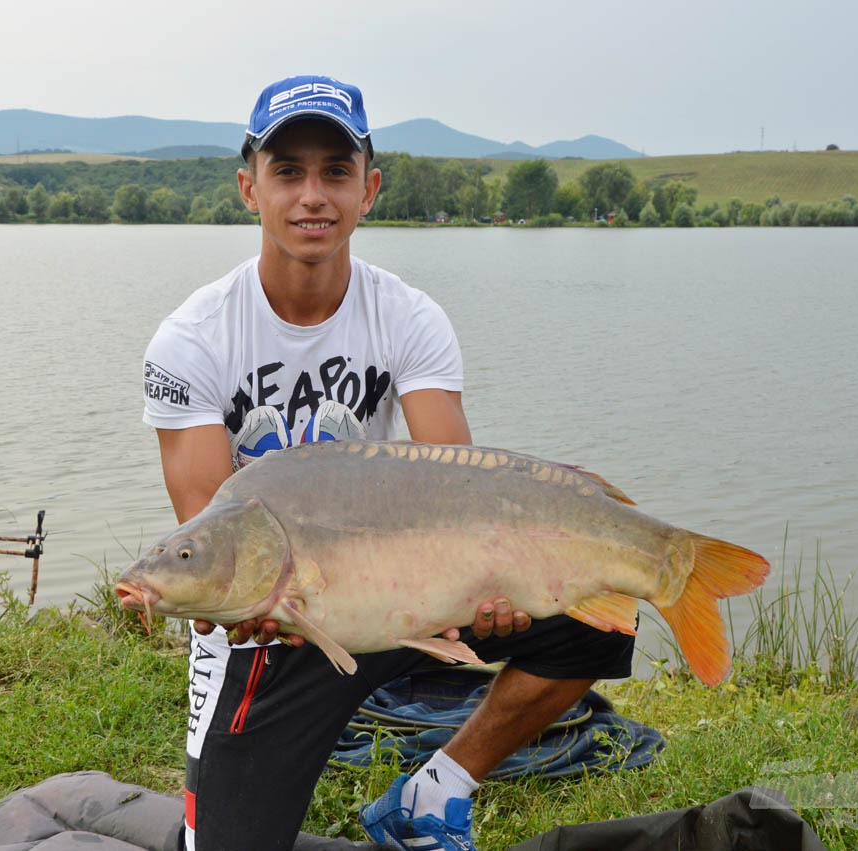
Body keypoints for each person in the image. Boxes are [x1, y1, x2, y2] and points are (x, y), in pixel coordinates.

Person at [141, 74, 635, 851]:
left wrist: (490, 581)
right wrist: (245, 601)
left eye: (336, 172)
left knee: (595, 613)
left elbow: (459, 479)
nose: (313, 195)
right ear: (249, 187)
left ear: (368, 189)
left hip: (398, 590)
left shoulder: (409, 315)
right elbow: (207, 531)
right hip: (272, 620)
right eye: (289, 171)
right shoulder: (192, 339)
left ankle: (437, 790)